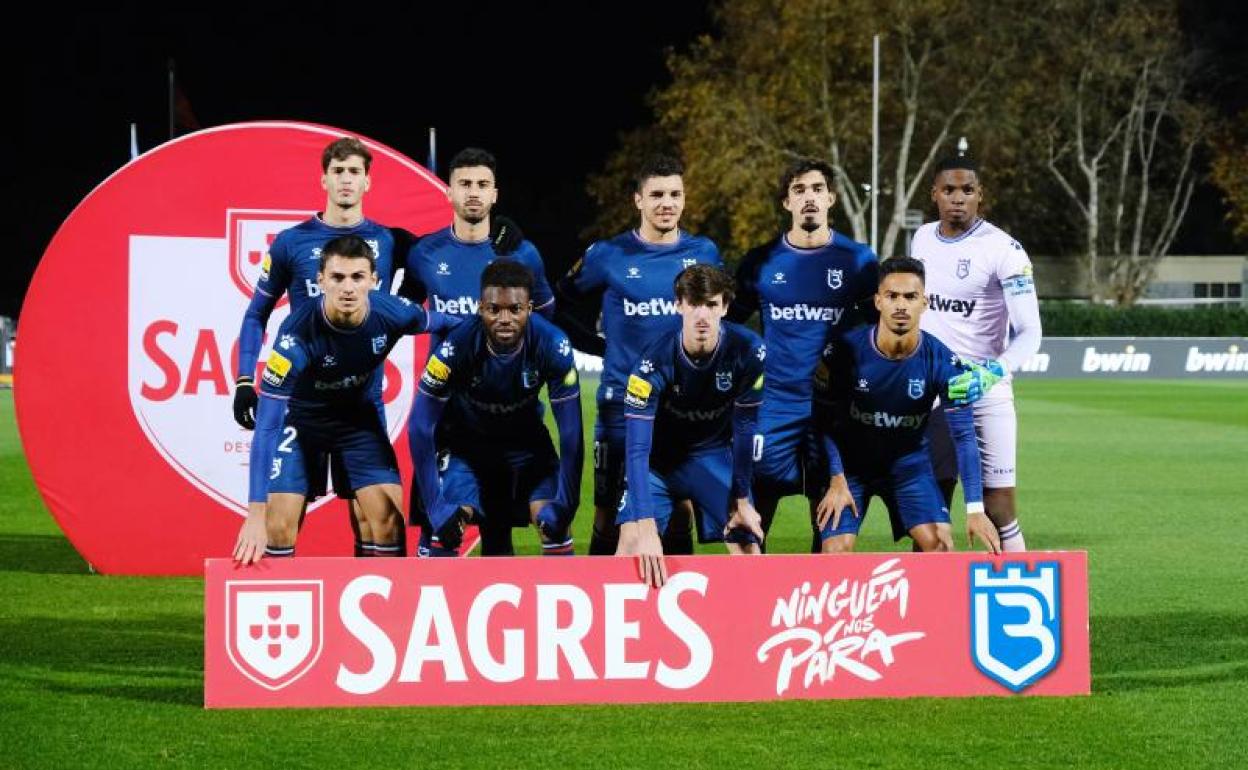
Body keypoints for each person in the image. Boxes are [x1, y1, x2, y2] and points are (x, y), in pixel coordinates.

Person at [233, 235, 458, 563]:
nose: (348, 288)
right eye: (338, 278)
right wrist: (254, 516)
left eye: (358, 277)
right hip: (301, 420)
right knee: (277, 524)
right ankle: (287, 610)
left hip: (358, 420)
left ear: (374, 281)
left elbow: (456, 326)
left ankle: (385, 612)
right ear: (321, 280)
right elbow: (267, 428)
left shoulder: (393, 312)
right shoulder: (295, 338)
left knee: (388, 522)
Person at [555, 154, 720, 557]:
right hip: (620, 405)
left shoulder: (704, 252)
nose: (667, 203)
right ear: (638, 200)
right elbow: (560, 302)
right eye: (657, 194)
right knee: (608, 512)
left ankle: (676, 603)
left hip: (681, 408)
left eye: (675, 194)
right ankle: (600, 604)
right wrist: (596, 345)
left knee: (681, 509)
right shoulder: (609, 255)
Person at [401, 147, 555, 556]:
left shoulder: (521, 252)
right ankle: (423, 614)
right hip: (446, 416)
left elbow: (547, 314)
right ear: (448, 191)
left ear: (495, 194)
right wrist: (443, 324)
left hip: (509, 414)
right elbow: (407, 313)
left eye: (482, 185)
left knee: (498, 533)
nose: (473, 192)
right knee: (439, 529)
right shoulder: (425, 253)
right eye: (465, 184)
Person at [727, 158, 878, 550]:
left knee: (833, 537)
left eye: (816, 189)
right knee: (750, 529)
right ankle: (753, 608)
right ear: (786, 203)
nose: (808, 197)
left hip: (834, 411)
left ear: (830, 198)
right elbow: (732, 327)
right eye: (798, 190)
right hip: (773, 407)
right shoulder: (760, 262)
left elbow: (878, 330)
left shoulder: (859, 261)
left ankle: (816, 610)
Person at [811, 257, 1002, 554]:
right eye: (892, 296)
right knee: (835, 551)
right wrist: (835, 477)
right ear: (878, 302)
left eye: (910, 297)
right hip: (851, 469)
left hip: (908, 466)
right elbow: (823, 422)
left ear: (924, 303)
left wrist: (975, 508)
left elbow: (964, 436)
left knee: (939, 545)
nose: (901, 305)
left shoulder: (944, 361)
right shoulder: (842, 352)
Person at [911, 156, 1042, 552]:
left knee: (999, 506)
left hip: (986, 391)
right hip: (931, 392)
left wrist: (990, 372)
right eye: (949, 190)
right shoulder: (921, 239)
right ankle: (927, 606)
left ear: (980, 195)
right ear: (934, 194)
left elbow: (1030, 333)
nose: (958, 198)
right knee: (931, 507)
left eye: (967, 190)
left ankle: (1022, 598)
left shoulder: (1005, 250)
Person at [409, 260, 583, 557]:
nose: (504, 318)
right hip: (468, 447)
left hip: (527, 448)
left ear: (529, 308)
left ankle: (557, 601)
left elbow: (571, 435)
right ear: (480, 308)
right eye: (494, 309)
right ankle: (435, 599)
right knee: (444, 527)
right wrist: (437, 509)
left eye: (514, 309)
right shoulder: (456, 346)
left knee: (555, 524)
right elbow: (419, 426)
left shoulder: (553, 345)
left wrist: (567, 504)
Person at [617, 265, 766, 587]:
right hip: (658, 464)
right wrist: (645, 528)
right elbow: (637, 449)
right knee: (630, 548)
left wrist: (741, 500)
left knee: (748, 544)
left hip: (710, 458)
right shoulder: (650, 364)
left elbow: (744, 431)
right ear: (679, 304)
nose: (702, 315)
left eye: (711, 305)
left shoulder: (749, 351)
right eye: (694, 303)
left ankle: (744, 632)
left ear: (725, 307)